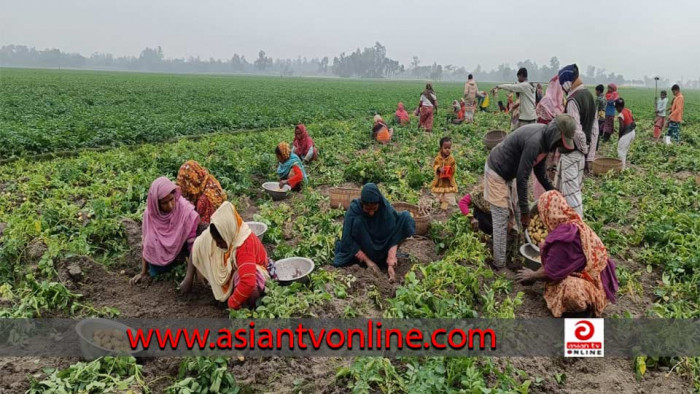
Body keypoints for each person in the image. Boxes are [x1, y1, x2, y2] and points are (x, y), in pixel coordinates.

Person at [483, 114, 577, 268]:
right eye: (560, 141)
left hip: (509, 174)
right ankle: (499, 265)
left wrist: (554, 193)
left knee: (518, 212)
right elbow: (522, 178)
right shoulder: (535, 142)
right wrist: (527, 212)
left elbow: (540, 172)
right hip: (496, 171)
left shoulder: (545, 143)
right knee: (502, 217)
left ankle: (516, 253)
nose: (559, 145)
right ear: (556, 133)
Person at [515, 190, 619, 318]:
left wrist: (533, 275)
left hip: (593, 285)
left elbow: (550, 272)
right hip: (596, 278)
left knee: (570, 289)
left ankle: (583, 312)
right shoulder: (573, 222)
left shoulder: (564, 238)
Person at [189, 202, 270, 309]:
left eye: (220, 241)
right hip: (239, 269)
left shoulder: (244, 244)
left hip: (256, 271)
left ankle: (250, 308)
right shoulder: (224, 232)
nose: (217, 245)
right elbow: (199, 244)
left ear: (227, 233)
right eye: (216, 241)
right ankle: (235, 294)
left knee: (250, 287)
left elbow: (248, 283)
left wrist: (232, 303)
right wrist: (188, 277)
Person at [333, 183, 416, 282]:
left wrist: (391, 260)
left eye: (374, 209)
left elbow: (394, 236)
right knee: (357, 223)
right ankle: (368, 260)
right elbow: (347, 240)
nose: (371, 213)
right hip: (364, 248)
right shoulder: (355, 210)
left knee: (406, 218)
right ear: (362, 204)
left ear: (379, 204)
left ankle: (384, 260)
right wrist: (369, 262)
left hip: (383, 249)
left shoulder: (385, 209)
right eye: (367, 209)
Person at [130, 177, 200, 285]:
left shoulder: (185, 211)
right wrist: (143, 272)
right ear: (156, 204)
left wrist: (191, 276)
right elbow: (145, 243)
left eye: (172, 199)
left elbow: (193, 246)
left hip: (178, 264)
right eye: (164, 203)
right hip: (155, 267)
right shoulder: (150, 215)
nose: (170, 205)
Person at [557, 64, 598, 217]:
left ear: (567, 82)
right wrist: (590, 155)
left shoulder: (573, 100)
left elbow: (576, 131)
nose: (562, 88)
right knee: (572, 191)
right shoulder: (588, 95)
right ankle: (568, 229)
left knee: (572, 199)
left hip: (572, 154)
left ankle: (577, 231)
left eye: (562, 84)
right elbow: (595, 129)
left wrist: (583, 149)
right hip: (580, 156)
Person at [176, 160, 228, 225]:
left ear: (193, 180)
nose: (185, 187)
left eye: (185, 182)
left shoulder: (205, 200)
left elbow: (204, 227)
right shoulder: (208, 180)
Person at [431, 137, 458, 210]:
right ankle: (440, 202)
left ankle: (446, 206)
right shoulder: (438, 158)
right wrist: (439, 169)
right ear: (441, 148)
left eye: (449, 148)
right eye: (445, 148)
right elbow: (435, 166)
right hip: (439, 181)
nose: (447, 150)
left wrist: (449, 171)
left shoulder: (451, 159)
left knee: (449, 197)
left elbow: (454, 169)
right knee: (438, 196)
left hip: (448, 182)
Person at [615, 98, 636, 170]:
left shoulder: (620, 115)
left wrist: (620, 136)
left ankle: (622, 169)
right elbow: (633, 120)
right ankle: (623, 166)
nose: (616, 109)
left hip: (627, 134)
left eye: (616, 107)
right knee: (624, 150)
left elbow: (621, 127)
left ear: (618, 107)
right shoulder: (628, 110)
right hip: (632, 132)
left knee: (620, 151)